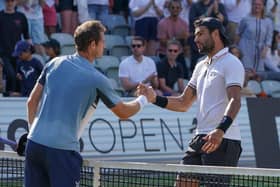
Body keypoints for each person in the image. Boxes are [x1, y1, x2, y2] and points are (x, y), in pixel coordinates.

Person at [25, 20, 154, 187]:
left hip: (34, 144)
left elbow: (31, 102)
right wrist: (144, 99)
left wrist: (32, 134)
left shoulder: (53, 63)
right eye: (103, 41)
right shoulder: (97, 78)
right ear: (93, 44)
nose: (104, 45)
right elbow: (123, 112)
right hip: (61, 151)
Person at [139, 17, 245, 186]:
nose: (195, 39)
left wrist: (220, 131)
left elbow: (235, 100)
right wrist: (154, 99)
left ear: (215, 34)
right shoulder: (200, 65)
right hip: (200, 138)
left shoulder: (232, 63)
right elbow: (183, 102)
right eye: (195, 35)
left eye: (200, 34)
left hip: (223, 140)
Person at [0, 0, 30, 96]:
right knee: (10, 75)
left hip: (19, 54)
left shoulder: (21, 17)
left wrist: (29, 53)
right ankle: (8, 97)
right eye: (7, 1)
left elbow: (27, 37)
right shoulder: (0, 16)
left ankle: (18, 100)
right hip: (3, 53)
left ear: (16, 2)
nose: (9, 3)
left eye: (12, 1)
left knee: (19, 77)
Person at [157, 0, 190, 78]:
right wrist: (177, 38)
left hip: (179, 54)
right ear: (168, 9)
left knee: (185, 76)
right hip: (165, 53)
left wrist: (185, 39)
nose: (175, 9)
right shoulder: (162, 23)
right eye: (173, 7)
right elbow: (162, 42)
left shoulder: (184, 23)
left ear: (181, 9)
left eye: (178, 8)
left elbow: (185, 43)